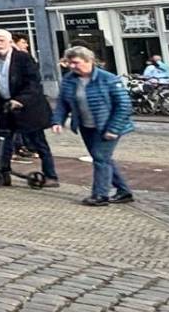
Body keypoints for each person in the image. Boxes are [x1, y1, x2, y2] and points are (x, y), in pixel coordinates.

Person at [52, 46, 134, 206]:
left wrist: (114, 129)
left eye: (76, 63)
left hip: (106, 126)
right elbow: (63, 102)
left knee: (100, 158)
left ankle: (100, 195)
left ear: (89, 61)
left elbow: (124, 105)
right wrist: (57, 120)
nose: (72, 66)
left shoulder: (108, 79)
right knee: (103, 158)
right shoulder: (69, 79)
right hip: (86, 126)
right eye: (69, 63)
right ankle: (124, 191)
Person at [0, 29, 55, 184]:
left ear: (10, 42)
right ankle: (3, 173)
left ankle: (51, 176)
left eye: (1, 40)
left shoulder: (23, 59)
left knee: (38, 142)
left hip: (28, 108)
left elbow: (33, 83)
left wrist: (20, 99)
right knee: (3, 141)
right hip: (4, 108)